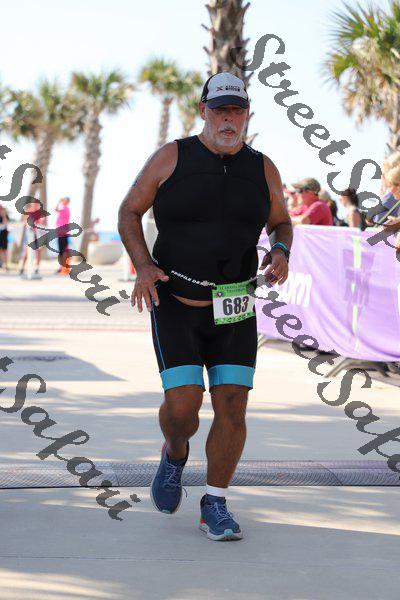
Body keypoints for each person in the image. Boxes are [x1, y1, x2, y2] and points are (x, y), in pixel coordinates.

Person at [118, 71, 293, 542]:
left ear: (248, 115)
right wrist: (143, 265)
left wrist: (281, 250)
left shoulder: (263, 168)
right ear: (203, 111)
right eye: (220, 110)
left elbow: (281, 222)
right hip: (176, 300)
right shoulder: (172, 157)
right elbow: (129, 211)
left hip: (235, 304)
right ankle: (175, 452)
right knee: (184, 407)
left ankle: (214, 501)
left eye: (237, 110)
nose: (229, 119)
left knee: (232, 403)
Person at [19, 201, 43, 276]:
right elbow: (25, 222)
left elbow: (41, 224)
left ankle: (36, 268)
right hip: (30, 235)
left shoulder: (39, 213)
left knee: (38, 251)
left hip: (37, 235)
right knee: (27, 252)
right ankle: (22, 267)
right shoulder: (29, 212)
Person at [55, 197, 71, 274]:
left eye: (64, 200)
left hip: (63, 233)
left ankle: (63, 267)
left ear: (67, 202)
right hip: (61, 232)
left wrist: (59, 202)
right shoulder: (65, 209)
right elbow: (56, 210)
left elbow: (56, 209)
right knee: (62, 250)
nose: (63, 201)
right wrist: (59, 202)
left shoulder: (65, 209)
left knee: (63, 250)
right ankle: (62, 267)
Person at [0, 204, 9, 271]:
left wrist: (3, 215)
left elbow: (6, 223)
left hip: (4, 236)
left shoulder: (5, 216)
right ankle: (1, 264)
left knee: (4, 251)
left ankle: (5, 265)